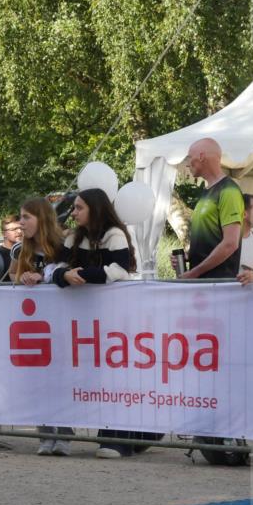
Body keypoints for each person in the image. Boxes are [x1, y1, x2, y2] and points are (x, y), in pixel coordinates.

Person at [54, 188, 153, 460]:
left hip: (114, 318)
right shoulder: (74, 237)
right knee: (91, 375)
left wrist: (79, 275)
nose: (74, 213)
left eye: (79, 208)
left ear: (95, 209)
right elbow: (55, 268)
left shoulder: (115, 235)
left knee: (115, 376)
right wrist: (65, 275)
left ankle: (116, 439)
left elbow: (118, 271)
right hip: (82, 320)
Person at [10, 197, 73, 455]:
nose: (21, 223)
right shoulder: (21, 250)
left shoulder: (63, 246)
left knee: (61, 380)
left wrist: (44, 278)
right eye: (20, 217)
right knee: (37, 380)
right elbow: (13, 277)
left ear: (42, 219)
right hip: (33, 325)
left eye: (27, 217)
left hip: (61, 323)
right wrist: (23, 277)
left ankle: (65, 434)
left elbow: (70, 274)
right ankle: (45, 434)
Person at [181, 138, 244, 279]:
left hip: (217, 284)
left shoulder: (229, 190)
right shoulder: (206, 191)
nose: (188, 164)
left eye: (190, 157)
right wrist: (189, 256)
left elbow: (230, 244)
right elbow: (210, 241)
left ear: (201, 156)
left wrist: (195, 272)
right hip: (204, 283)